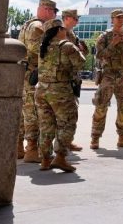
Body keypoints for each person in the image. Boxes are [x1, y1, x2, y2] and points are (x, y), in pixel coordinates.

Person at [35, 19, 85, 172]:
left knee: (45, 126)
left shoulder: (42, 46)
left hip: (41, 90)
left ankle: (44, 159)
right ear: (58, 30)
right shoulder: (67, 46)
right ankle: (60, 158)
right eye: (63, 28)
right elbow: (81, 63)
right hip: (60, 92)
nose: (66, 31)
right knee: (67, 123)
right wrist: (79, 50)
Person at [90, 9, 123, 149]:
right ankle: (95, 137)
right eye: (118, 18)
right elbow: (99, 56)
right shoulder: (104, 37)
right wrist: (113, 44)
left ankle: (122, 137)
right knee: (101, 105)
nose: (120, 20)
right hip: (108, 75)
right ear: (112, 19)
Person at [17, 0, 58, 163]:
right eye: (54, 13)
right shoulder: (37, 27)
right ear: (48, 10)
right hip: (33, 76)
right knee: (33, 114)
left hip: (26, 75)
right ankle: (32, 150)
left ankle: (19, 148)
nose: (54, 16)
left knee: (24, 113)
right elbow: (40, 50)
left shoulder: (27, 24)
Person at [60, 9, 87, 152]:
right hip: (63, 78)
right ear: (67, 18)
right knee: (62, 113)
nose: (77, 21)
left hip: (72, 78)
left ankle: (67, 141)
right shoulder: (60, 33)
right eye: (75, 19)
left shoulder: (72, 34)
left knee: (71, 112)